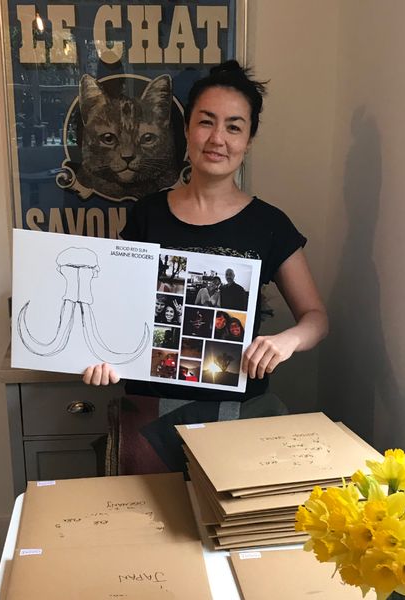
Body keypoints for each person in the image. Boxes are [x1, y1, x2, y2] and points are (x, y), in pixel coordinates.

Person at [82, 61, 328, 470]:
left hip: (237, 413)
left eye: (234, 127)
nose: (218, 139)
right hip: (148, 409)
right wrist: (102, 356)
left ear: (248, 140)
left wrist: (286, 341)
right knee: (151, 510)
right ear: (186, 129)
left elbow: (316, 317)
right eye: (206, 122)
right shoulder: (147, 214)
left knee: (226, 510)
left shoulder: (269, 224)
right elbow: (117, 307)